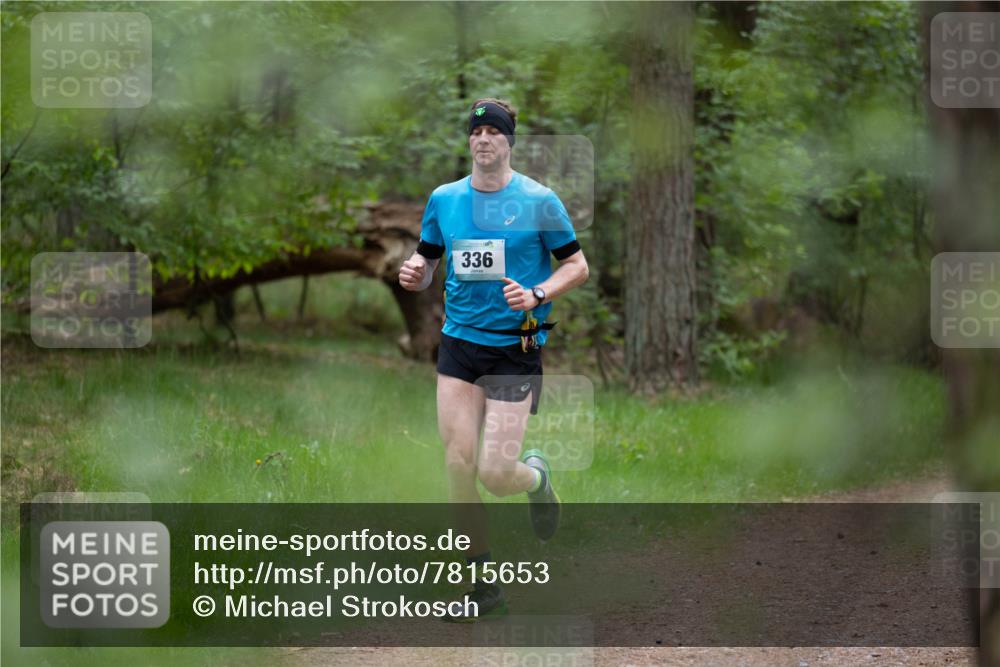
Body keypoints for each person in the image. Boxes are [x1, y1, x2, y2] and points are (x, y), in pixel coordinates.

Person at [398, 98, 589, 621]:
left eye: (493, 131)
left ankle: (536, 479)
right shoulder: (445, 198)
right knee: (458, 465)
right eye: (476, 131)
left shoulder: (540, 200)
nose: (483, 139)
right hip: (459, 343)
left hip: (515, 348)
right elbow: (429, 258)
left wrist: (538, 293)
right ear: (469, 142)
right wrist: (415, 271)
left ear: (509, 142)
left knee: (495, 472)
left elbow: (577, 265)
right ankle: (483, 588)